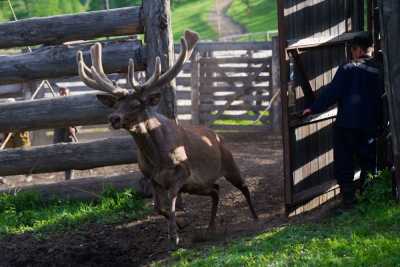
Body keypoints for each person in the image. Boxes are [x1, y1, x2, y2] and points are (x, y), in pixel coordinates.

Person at [302, 33, 384, 210]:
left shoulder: (347, 68)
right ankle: (370, 197)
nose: (351, 54)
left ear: (358, 49)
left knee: (344, 162)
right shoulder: (380, 70)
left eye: (352, 50)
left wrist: (313, 108)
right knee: (369, 161)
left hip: (347, 125)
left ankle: (349, 201)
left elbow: (332, 92)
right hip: (370, 125)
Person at [53, 87, 79, 180]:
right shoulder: (55, 105)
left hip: (69, 134)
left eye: (65, 93)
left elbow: (79, 119)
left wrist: (74, 128)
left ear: (69, 94)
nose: (63, 95)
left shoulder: (73, 105)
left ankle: (69, 177)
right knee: (57, 152)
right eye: (61, 93)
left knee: (70, 154)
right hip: (59, 133)